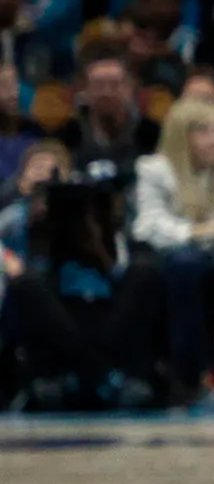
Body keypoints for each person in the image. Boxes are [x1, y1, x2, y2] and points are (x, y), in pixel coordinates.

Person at [0, 161, 165, 409]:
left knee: (146, 272)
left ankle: (101, 376)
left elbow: (126, 280)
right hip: (63, 334)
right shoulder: (30, 226)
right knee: (26, 284)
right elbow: (29, 277)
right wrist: (45, 228)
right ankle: (94, 375)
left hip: (109, 327)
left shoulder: (125, 239)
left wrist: (100, 248)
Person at [131, 96, 214, 403]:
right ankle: (189, 376)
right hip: (173, 254)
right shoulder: (155, 169)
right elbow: (147, 225)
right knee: (185, 265)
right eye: (203, 132)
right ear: (180, 135)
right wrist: (194, 231)